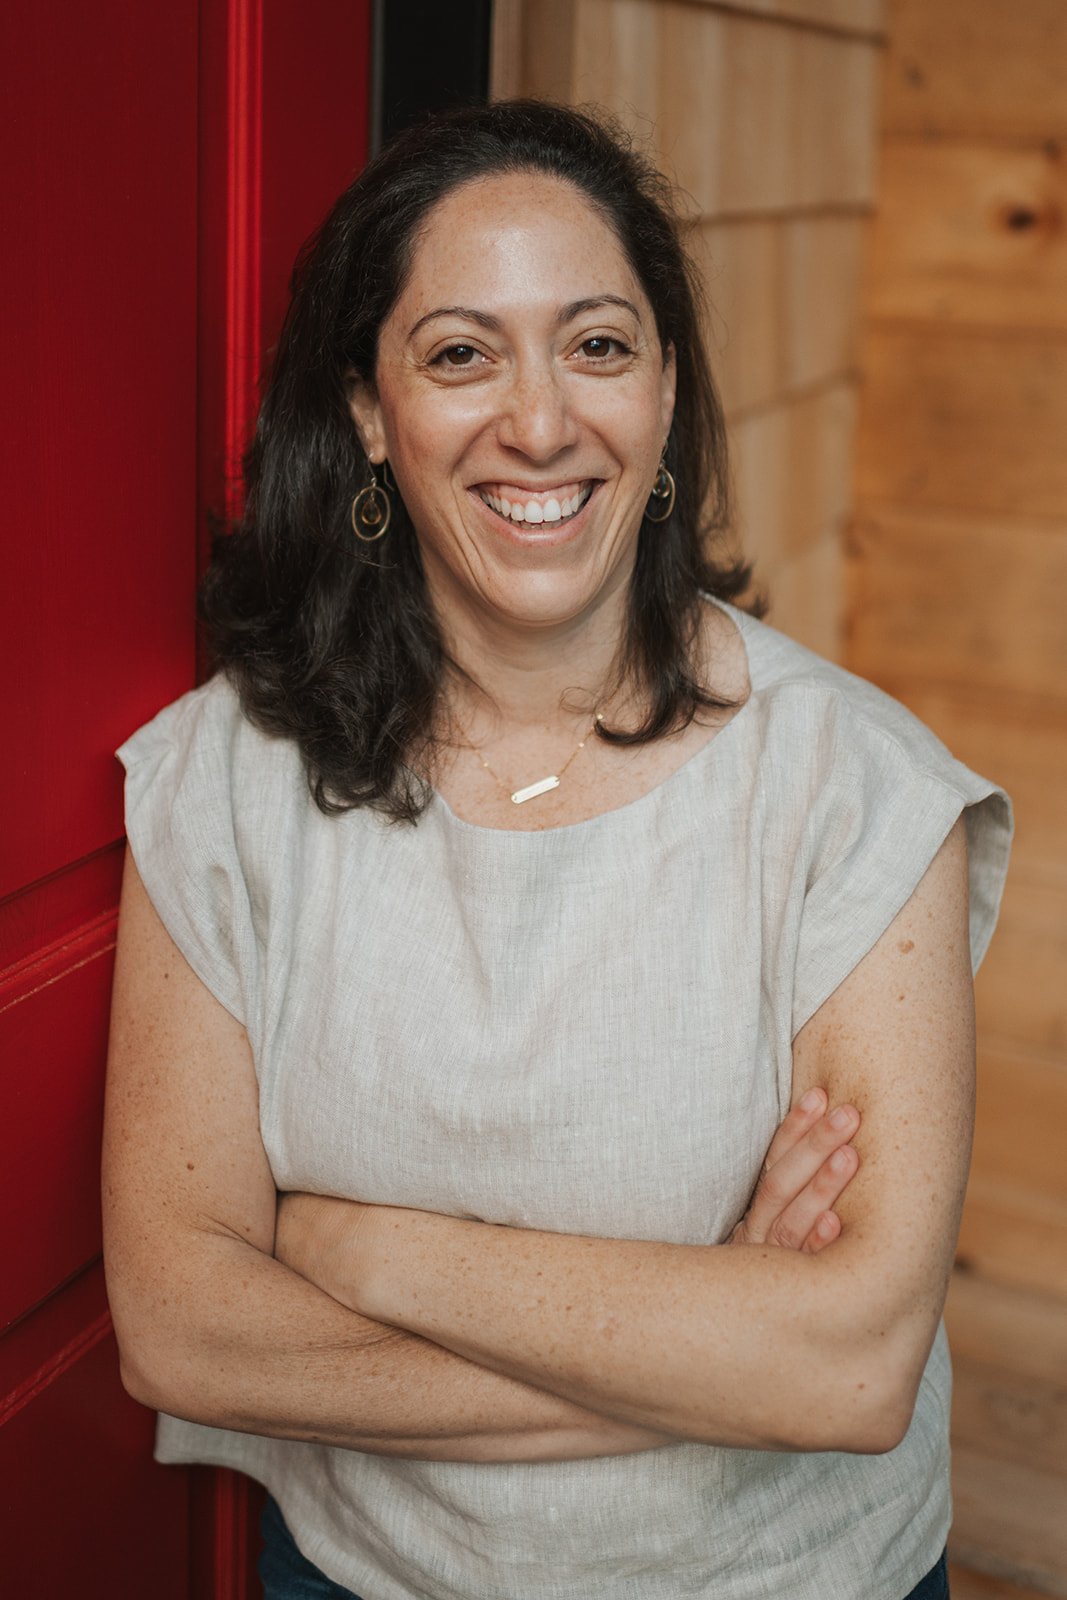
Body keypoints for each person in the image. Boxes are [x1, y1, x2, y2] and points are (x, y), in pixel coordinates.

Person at [103, 101, 1011, 1600]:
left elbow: (847, 1371)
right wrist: (715, 1344)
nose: (540, 422)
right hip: (364, 1576)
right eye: (462, 353)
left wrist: (357, 1251)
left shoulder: (851, 782)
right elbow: (185, 1330)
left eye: (597, 345)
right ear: (373, 416)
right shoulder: (225, 781)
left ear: (663, 394)